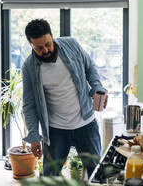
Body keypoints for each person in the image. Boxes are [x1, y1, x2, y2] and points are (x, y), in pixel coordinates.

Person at [21, 19, 108, 177]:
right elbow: (29, 105)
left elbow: (90, 68)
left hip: (86, 124)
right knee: (49, 177)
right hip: (56, 130)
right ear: (31, 45)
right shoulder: (29, 67)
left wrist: (97, 88)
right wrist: (34, 137)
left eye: (48, 44)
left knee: (97, 174)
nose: (46, 50)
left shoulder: (71, 44)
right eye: (39, 48)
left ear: (52, 37)